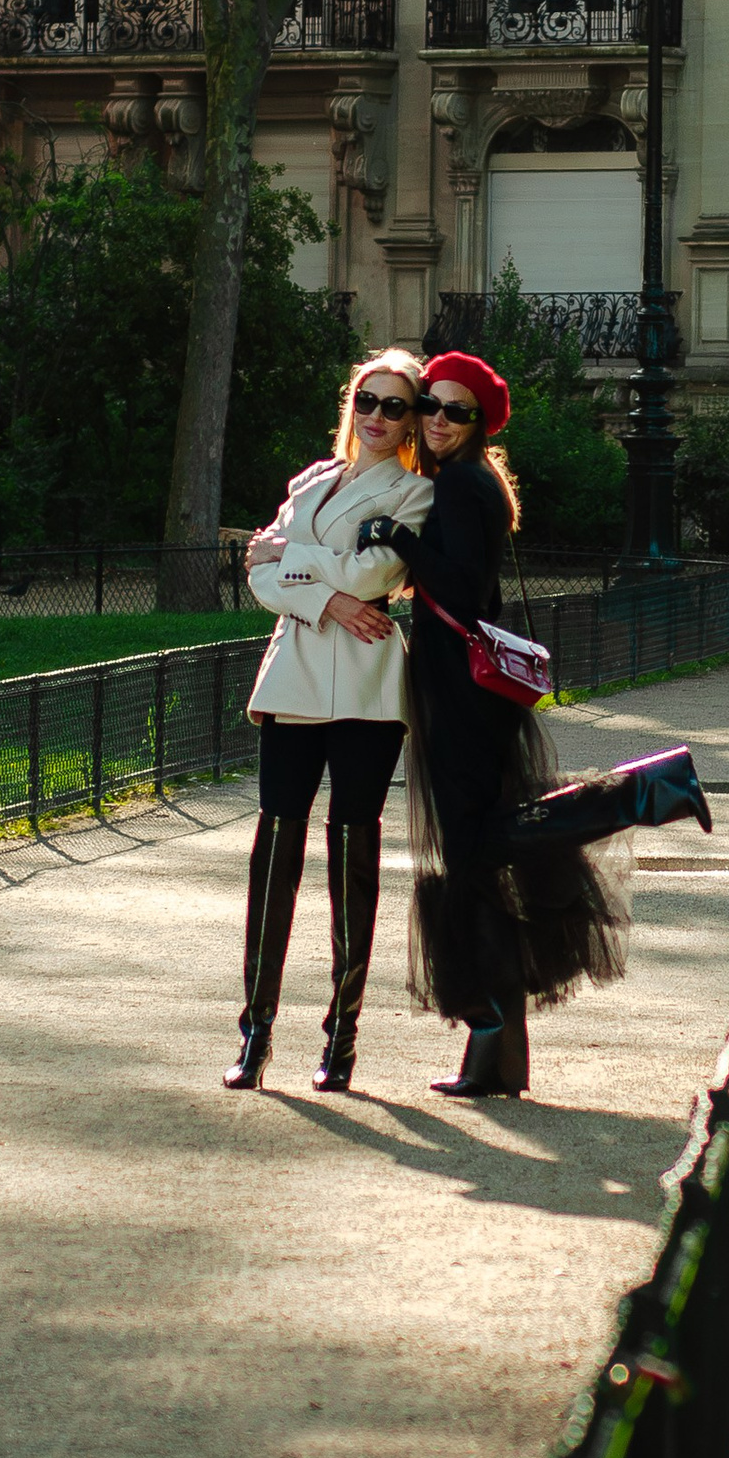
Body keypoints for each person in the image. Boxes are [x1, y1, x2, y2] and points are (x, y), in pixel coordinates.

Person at [356, 349, 711, 1100]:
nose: (438, 422)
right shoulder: (465, 482)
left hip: (460, 689)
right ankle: (498, 1053)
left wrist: (400, 539)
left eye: (456, 412)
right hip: (463, 685)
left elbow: (462, 585)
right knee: (479, 861)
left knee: (476, 845)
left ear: (478, 423)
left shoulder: (459, 484)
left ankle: (643, 793)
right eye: (431, 408)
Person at [227, 347, 435, 1094]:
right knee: (272, 851)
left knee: (352, 859)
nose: (377, 417)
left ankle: (341, 1037)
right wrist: (324, 596)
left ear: (413, 421)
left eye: (394, 406)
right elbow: (257, 570)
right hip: (296, 677)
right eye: (367, 401)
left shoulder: (413, 495)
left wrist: (300, 562)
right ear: (351, 405)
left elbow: (373, 575)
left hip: (368, 690)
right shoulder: (312, 481)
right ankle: (255, 1032)